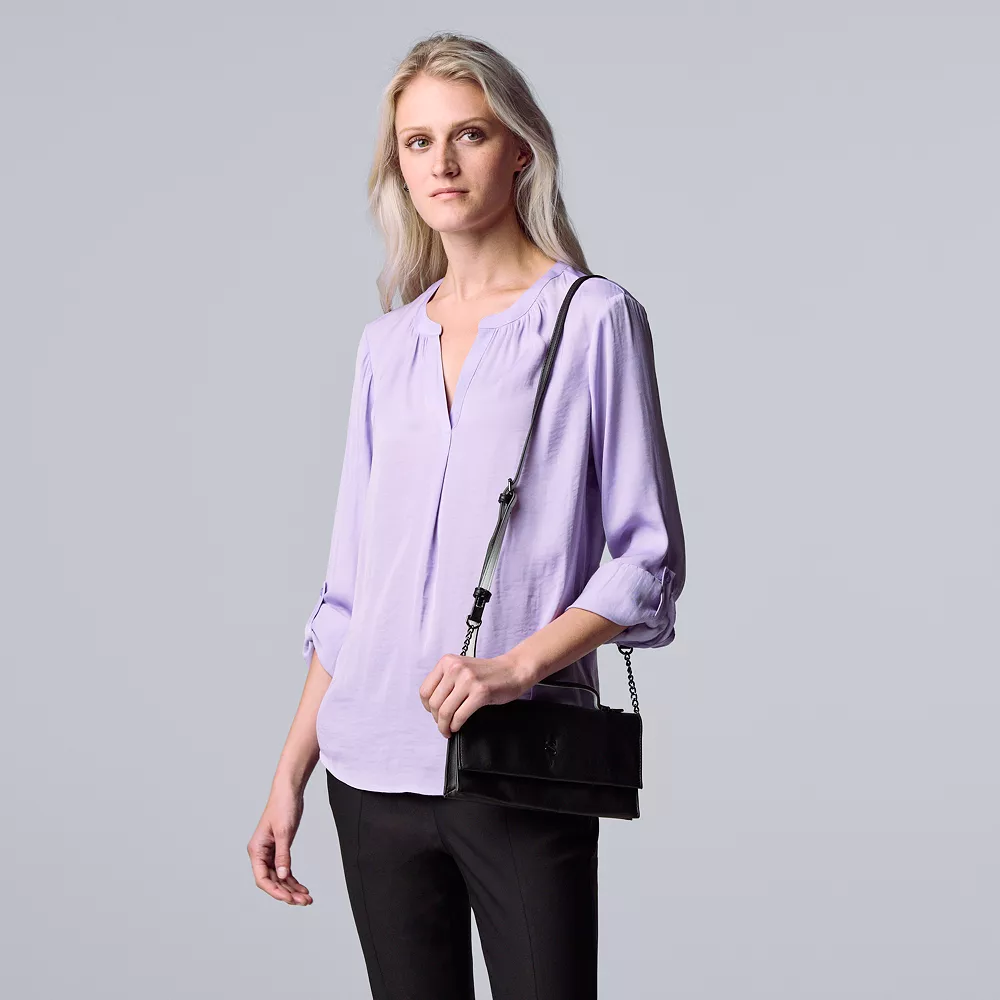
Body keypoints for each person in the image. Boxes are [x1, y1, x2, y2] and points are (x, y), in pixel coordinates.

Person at [247, 30, 686, 1000]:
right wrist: (290, 772)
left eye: (469, 134)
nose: (441, 162)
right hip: (367, 768)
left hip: (513, 759)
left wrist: (515, 667)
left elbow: (644, 558)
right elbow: (350, 591)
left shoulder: (591, 319)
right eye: (418, 142)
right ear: (398, 166)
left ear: (519, 148)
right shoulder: (386, 346)